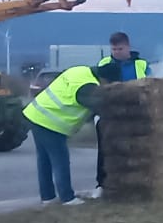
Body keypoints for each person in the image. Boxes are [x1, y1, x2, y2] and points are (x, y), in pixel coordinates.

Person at [23, 63, 109, 206]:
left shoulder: (80, 70)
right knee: (60, 160)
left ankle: (48, 197)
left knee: (44, 160)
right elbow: (99, 106)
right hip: (49, 122)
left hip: (36, 114)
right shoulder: (88, 87)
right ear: (103, 78)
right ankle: (67, 198)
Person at [93, 33, 148, 193]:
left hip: (136, 114)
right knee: (105, 150)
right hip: (110, 115)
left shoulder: (142, 64)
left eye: (120, 48)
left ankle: (137, 184)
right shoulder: (104, 63)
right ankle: (101, 185)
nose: (116, 52)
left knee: (136, 149)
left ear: (128, 47)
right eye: (114, 49)